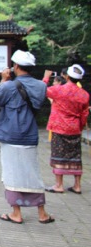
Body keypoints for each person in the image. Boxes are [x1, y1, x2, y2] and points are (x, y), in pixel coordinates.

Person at [0, 50, 53, 224]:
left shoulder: (10, 86)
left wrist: (3, 79)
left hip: (11, 134)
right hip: (30, 134)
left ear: (16, 66)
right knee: (33, 172)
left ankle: (16, 213)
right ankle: (42, 213)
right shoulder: (41, 86)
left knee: (11, 173)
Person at [42, 64, 89, 194]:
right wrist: (79, 126)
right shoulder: (84, 94)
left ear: (67, 76)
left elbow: (42, 90)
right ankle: (77, 185)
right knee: (75, 155)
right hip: (74, 127)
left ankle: (59, 184)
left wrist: (46, 78)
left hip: (59, 126)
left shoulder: (59, 90)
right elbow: (84, 113)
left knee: (58, 155)